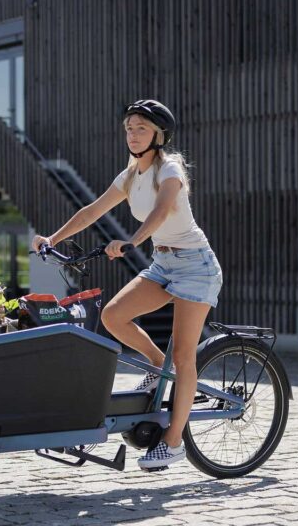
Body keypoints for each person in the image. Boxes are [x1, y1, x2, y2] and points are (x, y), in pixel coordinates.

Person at [31, 99, 223, 470]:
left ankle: (172, 443)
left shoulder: (170, 168)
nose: (132, 135)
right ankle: (156, 367)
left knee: (184, 355)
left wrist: (133, 239)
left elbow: (163, 209)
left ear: (158, 135)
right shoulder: (130, 174)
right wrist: (52, 239)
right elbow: (92, 211)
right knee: (115, 317)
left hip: (196, 266)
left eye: (141, 129)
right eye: (129, 128)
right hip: (163, 262)